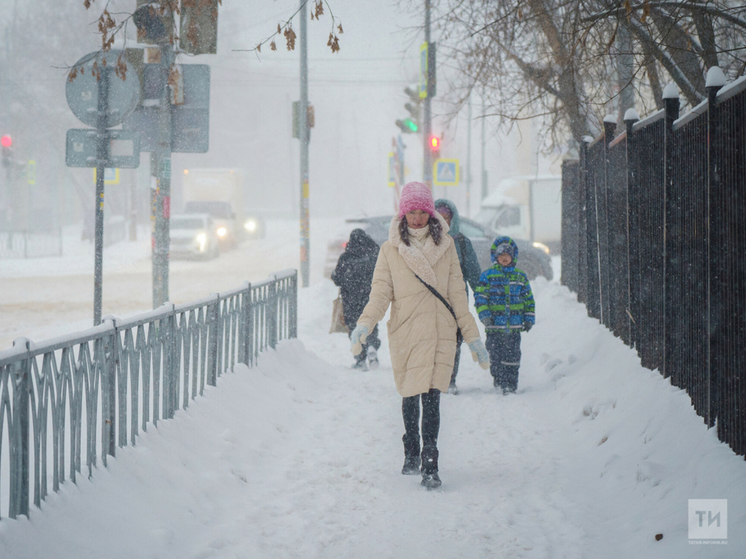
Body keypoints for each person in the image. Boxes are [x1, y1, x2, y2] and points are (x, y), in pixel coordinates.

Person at [349, 182, 490, 489]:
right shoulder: (390, 250)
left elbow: (457, 297)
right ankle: (411, 448)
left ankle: (430, 462)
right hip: (407, 333)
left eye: (421, 212)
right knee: (410, 395)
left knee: (433, 397)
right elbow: (380, 294)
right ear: (403, 213)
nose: (416, 218)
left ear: (429, 212)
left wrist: (473, 337)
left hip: (440, 332)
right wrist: (365, 324)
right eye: (410, 212)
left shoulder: (448, 247)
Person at [474, 236, 535, 395]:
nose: (504, 259)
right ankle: (499, 381)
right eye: (501, 257)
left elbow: (528, 299)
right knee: (495, 356)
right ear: (496, 257)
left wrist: (528, 318)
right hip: (494, 327)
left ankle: (511, 384)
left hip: (513, 327)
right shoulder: (487, 276)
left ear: (513, 257)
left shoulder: (520, 277)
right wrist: (485, 315)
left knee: (513, 356)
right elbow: (481, 298)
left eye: (507, 256)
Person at [434, 198, 482, 395]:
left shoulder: (461, 242)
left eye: (447, 217)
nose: (443, 221)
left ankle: (450, 379)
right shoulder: (425, 242)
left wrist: (482, 295)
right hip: (432, 301)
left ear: (452, 219)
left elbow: (473, 273)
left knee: (453, 341)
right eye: (439, 218)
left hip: (457, 301)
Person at [331, 228, 381, 371]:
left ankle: (360, 360)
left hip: (351, 301)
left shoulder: (346, 258)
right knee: (370, 325)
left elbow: (337, 279)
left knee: (354, 328)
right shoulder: (373, 255)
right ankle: (372, 345)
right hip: (370, 298)